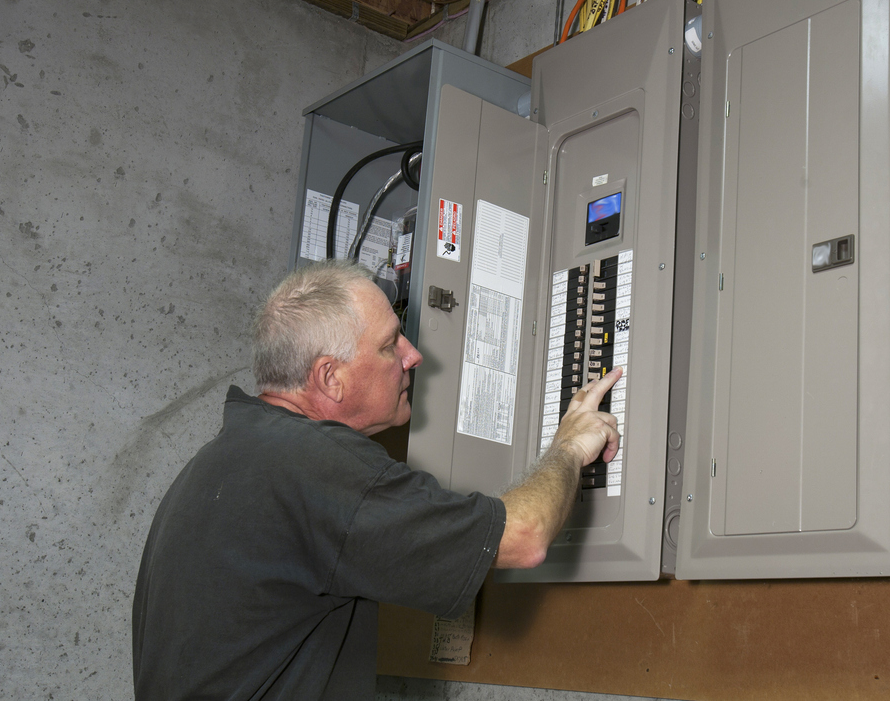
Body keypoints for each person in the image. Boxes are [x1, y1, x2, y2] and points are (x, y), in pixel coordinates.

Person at [131, 260, 620, 700]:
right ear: (330, 379)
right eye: (389, 344)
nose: (413, 355)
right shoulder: (312, 464)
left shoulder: (216, 463)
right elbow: (525, 537)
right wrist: (571, 446)